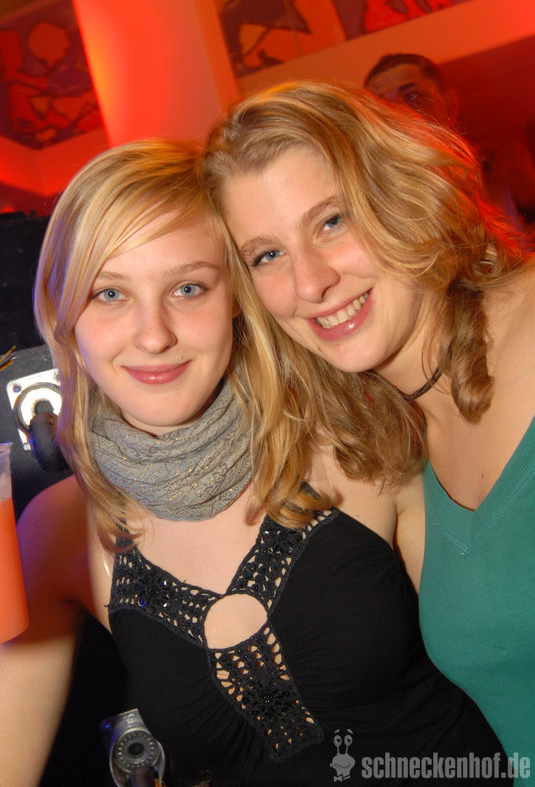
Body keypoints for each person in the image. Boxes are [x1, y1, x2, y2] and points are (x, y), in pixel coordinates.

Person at [0, 138, 511, 787]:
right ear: (62, 313)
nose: (153, 335)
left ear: (237, 296)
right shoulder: (61, 530)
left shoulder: (358, 440)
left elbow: (507, 662)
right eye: (109, 294)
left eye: (189, 288)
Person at [202, 79, 535, 783]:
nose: (310, 282)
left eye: (331, 221)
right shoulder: (400, 446)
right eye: (266, 255)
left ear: (402, 197)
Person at [364, 52, 535, 231]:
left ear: (450, 104)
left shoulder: (498, 169)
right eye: (381, 104)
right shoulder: (374, 203)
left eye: (412, 97)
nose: (397, 111)